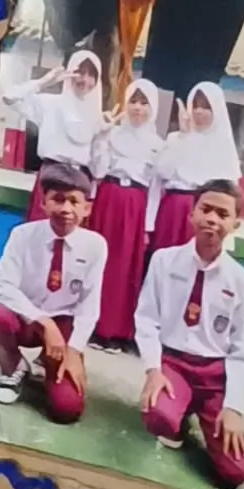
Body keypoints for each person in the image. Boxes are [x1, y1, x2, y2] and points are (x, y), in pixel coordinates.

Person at [135, 180, 244, 489]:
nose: (212, 219)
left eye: (223, 214)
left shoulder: (243, 282)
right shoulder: (164, 261)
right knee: (159, 417)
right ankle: (178, 414)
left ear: (236, 224)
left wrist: (234, 408)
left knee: (235, 474)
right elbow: (147, 319)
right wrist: (153, 370)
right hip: (174, 365)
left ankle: (202, 411)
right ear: (191, 214)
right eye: (206, 209)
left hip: (215, 377)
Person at [0, 164, 106, 421]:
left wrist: (74, 350)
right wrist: (43, 321)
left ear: (86, 208)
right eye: (57, 199)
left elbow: (89, 307)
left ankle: (47, 363)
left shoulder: (95, 245)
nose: (66, 209)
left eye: (74, 201)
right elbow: (1, 285)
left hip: (63, 325)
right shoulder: (23, 235)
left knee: (67, 409)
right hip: (26, 318)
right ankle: (13, 367)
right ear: (43, 203)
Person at [88, 79, 164, 351]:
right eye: (133, 101)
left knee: (123, 269)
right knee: (99, 263)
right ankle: (90, 325)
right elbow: (98, 171)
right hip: (108, 199)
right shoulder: (112, 134)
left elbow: (156, 188)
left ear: (153, 108)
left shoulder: (158, 145)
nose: (138, 108)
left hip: (135, 206)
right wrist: (101, 137)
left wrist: (148, 226)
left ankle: (115, 332)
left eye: (144, 103)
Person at [0, 49, 103, 221]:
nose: (84, 80)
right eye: (80, 72)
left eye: (91, 75)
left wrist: (103, 137)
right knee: (41, 231)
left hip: (79, 183)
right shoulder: (50, 104)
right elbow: (9, 97)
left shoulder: (97, 116)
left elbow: (98, 170)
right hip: (50, 177)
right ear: (70, 72)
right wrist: (43, 82)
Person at [148, 82, 242, 253]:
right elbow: (162, 173)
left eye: (206, 107)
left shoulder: (223, 148)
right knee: (165, 257)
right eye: (195, 105)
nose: (198, 111)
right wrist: (183, 137)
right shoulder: (176, 138)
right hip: (173, 209)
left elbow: (230, 197)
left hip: (206, 212)